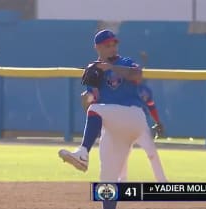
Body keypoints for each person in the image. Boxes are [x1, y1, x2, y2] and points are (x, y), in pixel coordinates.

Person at [58, 29, 149, 209]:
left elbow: (137, 75)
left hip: (133, 116)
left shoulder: (125, 62)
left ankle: (83, 152)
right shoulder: (94, 70)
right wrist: (87, 98)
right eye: (108, 45)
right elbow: (92, 106)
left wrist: (112, 68)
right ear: (98, 47)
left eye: (115, 43)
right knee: (107, 177)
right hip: (112, 125)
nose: (113, 47)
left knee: (96, 110)